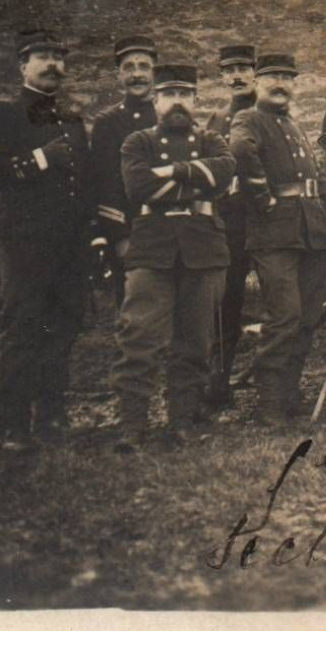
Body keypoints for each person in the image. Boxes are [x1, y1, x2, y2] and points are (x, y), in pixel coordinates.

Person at [229, 53, 326, 423]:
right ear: (257, 83)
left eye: (286, 78)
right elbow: (241, 152)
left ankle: (289, 397)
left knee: (307, 318)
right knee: (284, 317)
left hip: (312, 235)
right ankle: (270, 403)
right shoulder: (249, 119)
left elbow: (319, 181)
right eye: (272, 77)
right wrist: (263, 199)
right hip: (275, 236)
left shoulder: (292, 125)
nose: (280, 84)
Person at [0, 30, 95, 450]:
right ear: (22, 65)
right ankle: (11, 423)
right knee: (23, 327)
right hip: (25, 244)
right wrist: (42, 159)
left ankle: (51, 414)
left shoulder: (73, 120)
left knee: (62, 327)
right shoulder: (3, 115)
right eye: (42, 56)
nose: (52, 65)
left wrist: (90, 237)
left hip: (69, 246)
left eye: (58, 57)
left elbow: (84, 186)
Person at [112, 63, 236, 452]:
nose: (177, 102)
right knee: (139, 337)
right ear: (156, 100)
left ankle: (182, 420)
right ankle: (132, 426)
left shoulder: (213, 139)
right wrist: (195, 180)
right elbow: (138, 187)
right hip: (153, 248)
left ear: (196, 101)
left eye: (185, 94)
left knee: (195, 341)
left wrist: (172, 171)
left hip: (203, 248)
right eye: (170, 95)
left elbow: (225, 171)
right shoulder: (137, 142)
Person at [205, 43, 258, 408]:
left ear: (255, 71)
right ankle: (219, 380)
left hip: (268, 219)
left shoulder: (269, 112)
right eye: (229, 70)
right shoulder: (217, 119)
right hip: (232, 223)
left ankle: (275, 381)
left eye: (243, 68)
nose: (236, 75)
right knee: (227, 301)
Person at [90, 36, 159, 306]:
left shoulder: (166, 116)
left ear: (155, 71)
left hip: (170, 229)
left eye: (144, 66)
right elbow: (105, 183)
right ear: (118, 75)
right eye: (129, 67)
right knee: (135, 307)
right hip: (132, 230)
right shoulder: (108, 122)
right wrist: (120, 237)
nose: (137, 74)